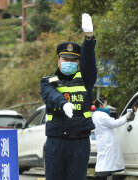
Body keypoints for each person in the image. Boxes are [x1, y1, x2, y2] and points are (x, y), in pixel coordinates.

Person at [40, 13, 97, 180]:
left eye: (74, 60)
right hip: (56, 142)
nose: (69, 62)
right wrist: (63, 103)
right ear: (58, 61)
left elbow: (89, 62)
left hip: (80, 143)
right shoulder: (48, 81)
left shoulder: (86, 80)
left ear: (78, 63)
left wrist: (88, 39)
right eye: (65, 58)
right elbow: (50, 95)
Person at [92, 97, 131, 180]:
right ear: (101, 104)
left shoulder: (96, 114)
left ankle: (104, 176)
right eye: (106, 104)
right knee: (106, 163)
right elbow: (113, 123)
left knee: (105, 161)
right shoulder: (102, 115)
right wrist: (125, 117)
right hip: (107, 140)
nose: (107, 106)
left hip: (103, 140)